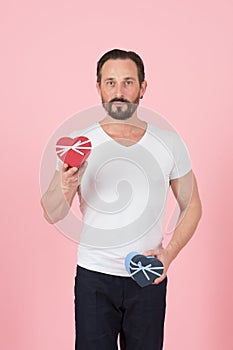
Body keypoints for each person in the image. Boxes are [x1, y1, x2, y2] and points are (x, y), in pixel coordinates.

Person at [41, 49, 202, 350]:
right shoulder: (80, 142)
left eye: (128, 82)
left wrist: (169, 254)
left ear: (143, 87)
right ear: (98, 87)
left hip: (147, 278)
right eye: (110, 82)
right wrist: (65, 184)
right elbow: (51, 212)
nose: (119, 91)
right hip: (95, 278)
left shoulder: (168, 143)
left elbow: (192, 205)